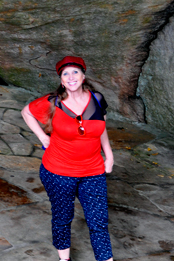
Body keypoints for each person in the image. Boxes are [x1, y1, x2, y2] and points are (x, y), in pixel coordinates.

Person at [21, 56, 114, 261]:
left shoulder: (97, 100)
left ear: (83, 76)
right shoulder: (53, 102)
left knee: (98, 222)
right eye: (65, 73)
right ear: (62, 80)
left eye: (75, 72)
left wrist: (109, 155)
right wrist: (43, 137)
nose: (71, 77)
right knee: (63, 218)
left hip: (93, 170)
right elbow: (26, 112)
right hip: (59, 172)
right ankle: (65, 259)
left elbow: (101, 130)